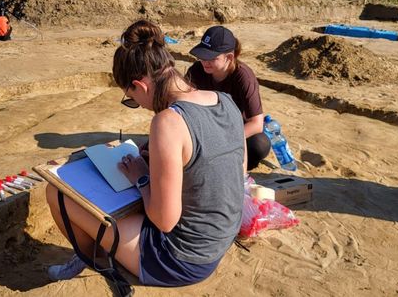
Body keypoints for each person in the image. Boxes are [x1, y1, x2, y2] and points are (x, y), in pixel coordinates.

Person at [45, 20, 246, 287]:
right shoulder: (226, 101)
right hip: (217, 243)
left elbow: (164, 220)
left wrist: (142, 176)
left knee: (56, 192)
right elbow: (237, 172)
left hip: (180, 260)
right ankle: (104, 250)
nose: (138, 105)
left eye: (132, 100)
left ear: (141, 86)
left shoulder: (168, 122)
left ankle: (97, 259)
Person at [186, 26, 269, 171]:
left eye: (211, 58)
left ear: (229, 58)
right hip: (206, 128)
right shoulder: (196, 70)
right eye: (202, 55)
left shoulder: (244, 77)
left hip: (234, 130)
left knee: (259, 145)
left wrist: (224, 139)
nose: (205, 61)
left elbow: (256, 123)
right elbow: (182, 103)